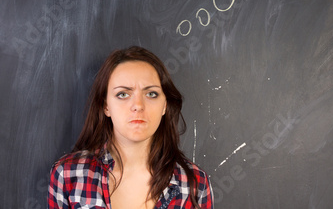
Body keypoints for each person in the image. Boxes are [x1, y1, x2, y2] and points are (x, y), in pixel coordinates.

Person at [48, 46, 213, 209]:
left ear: (164, 105)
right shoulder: (68, 175)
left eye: (151, 94)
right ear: (106, 106)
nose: (138, 106)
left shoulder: (195, 183)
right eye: (123, 94)